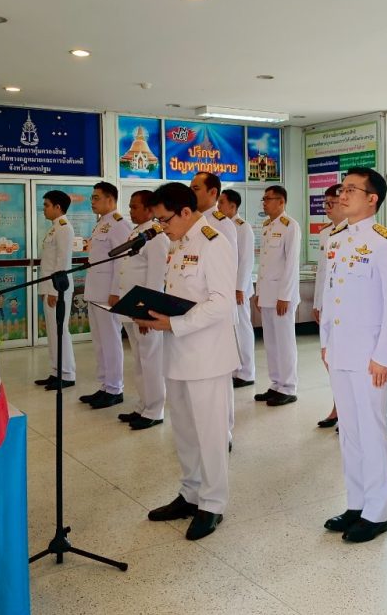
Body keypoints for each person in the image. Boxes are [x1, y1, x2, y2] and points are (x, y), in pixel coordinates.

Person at [137, 182, 238, 540]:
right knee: (184, 430)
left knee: (210, 434)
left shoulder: (214, 242)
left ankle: (213, 503)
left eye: (165, 220)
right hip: (178, 352)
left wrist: (174, 323)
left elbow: (221, 302)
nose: (162, 227)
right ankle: (191, 492)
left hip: (207, 356)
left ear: (184, 211)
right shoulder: (179, 243)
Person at [320, 167, 387, 543]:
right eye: (343, 189)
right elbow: (330, 293)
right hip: (340, 349)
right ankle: (356, 503)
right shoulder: (337, 238)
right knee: (350, 433)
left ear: (372, 199)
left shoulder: (385, 243)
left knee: (372, 431)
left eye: (351, 190)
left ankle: (377, 512)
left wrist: (384, 356)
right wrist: (326, 341)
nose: (342, 195)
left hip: (370, 354)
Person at [190, 171, 238, 442]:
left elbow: (229, 268)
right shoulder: (190, 221)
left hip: (216, 309)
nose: (191, 192)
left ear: (212, 193)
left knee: (219, 376)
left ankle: (225, 432)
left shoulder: (221, 224)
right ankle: (205, 430)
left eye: (196, 188)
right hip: (196, 311)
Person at [116, 189, 169, 430]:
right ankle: (143, 405)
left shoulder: (156, 237)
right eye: (130, 206)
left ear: (149, 209)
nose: (130, 210)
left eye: (135, 206)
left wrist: (148, 312)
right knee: (139, 360)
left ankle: (155, 410)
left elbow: (156, 279)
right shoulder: (137, 232)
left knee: (151, 361)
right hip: (131, 307)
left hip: (145, 310)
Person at [79, 182, 133, 410]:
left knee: (111, 341)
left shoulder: (119, 224)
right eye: (92, 197)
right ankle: (104, 385)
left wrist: (116, 291)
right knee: (100, 342)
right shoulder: (101, 223)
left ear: (110, 199)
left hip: (108, 294)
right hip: (95, 291)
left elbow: (122, 261)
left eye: (96, 197)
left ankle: (115, 388)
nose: (92, 202)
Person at [254, 185, 302, 406]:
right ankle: (276, 384)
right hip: (267, 294)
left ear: (281, 201)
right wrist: (259, 292)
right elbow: (264, 264)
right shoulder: (267, 226)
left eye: (268, 199)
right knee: (271, 343)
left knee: (284, 342)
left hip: (282, 296)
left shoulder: (290, 226)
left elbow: (291, 264)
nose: (264, 203)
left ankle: (288, 387)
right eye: (264, 199)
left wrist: (285, 296)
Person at [34, 190, 77, 390]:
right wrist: (44, 289)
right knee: (52, 332)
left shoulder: (64, 228)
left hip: (59, 289)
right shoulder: (54, 228)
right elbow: (48, 264)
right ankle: (56, 371)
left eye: (46, 205)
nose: (44, 209)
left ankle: (67, 373)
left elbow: (62, 262)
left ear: (57, 207)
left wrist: (54, 291)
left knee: (60, 331)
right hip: (50, 288)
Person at [313, 183, 345, 428]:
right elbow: (322, 272)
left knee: (344, 362)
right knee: (329, 360)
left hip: (345, 309)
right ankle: (338, 407)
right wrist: (317, 303)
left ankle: (344, 411)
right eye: (325, 203)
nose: (327, 208)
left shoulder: (353, 234)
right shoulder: (326, 234)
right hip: (328, 307)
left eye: (331, 203)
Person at [218, 188, 257, 388]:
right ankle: (235, 370)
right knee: (231, 331)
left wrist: (239, 287)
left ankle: (247, 372)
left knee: (242, 329)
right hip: (226, 287)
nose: (218, 206)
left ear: (233, 206)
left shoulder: (243, 227)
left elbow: (246, 260)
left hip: (238, 289)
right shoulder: (222, 225)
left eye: (222, 203)